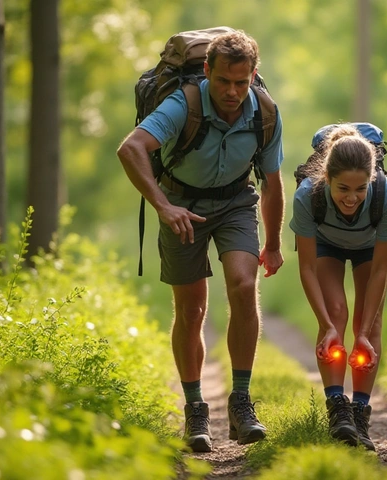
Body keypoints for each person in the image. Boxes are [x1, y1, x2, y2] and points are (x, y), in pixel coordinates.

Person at [117, 29, 285, 453]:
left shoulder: (264, 111)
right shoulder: (182, 104)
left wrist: (276, 242)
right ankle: (195, 408)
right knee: (191, 309)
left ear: (253, 76)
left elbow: (272, 183)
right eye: (224, 81)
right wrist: (162, 206)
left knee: (245, 286)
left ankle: (242, 402)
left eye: (241, 82)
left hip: (235, 202)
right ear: (207, 71)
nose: (232, 91)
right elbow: (131, 149)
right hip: (181, 205)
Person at [289, 124, 387, 451]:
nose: (351, 198)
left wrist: (363, 333)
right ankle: (337, 410)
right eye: (342, 189)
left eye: (360, 188)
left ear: (371, 181)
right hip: (327, 243)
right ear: (326, 177)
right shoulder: (308, 195)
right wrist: (325, 325)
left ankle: (360, 414)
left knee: (371, 320)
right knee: (336, 313)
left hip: (371, 247)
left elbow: (381, 267)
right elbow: (307, 267)